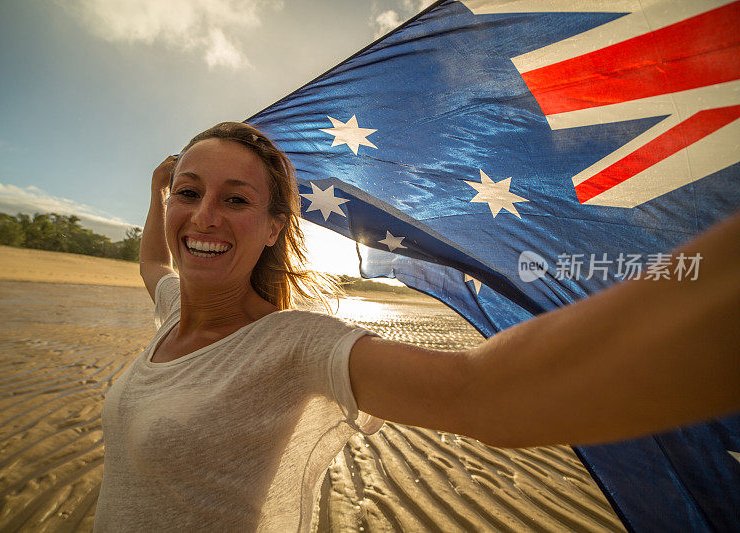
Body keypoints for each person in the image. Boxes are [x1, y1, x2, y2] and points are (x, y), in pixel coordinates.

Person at [93, 121, 740, 531]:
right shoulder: (174, 306)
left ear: (270, 229)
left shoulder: (292, 344)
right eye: (189, 191)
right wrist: (157, 191)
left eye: (234, 198)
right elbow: (153, 257)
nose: (203, 215)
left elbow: (483, 393)